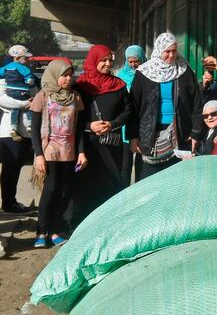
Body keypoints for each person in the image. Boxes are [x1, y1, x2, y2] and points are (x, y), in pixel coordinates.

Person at [128, 33, 203, 180]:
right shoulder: (144, 73)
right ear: (158, 50)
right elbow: (133, 106)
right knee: (150, 178)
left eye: (174, 51)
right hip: (150, 134)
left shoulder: (184, 71)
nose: (171, 55)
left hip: (181, 133)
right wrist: (133, 136)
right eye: (167, 51)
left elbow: (196, 103)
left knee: (177, 178)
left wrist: (196, 133)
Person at [30, 60, 87, 248]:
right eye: (64, 75)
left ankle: (55, 230)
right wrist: (38, 154)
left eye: (71, 75)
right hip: (50, 151)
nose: (68, 79)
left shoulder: (75, 97)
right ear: (55, 75)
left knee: (64, 191)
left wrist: (81, 152)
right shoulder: (43, 96)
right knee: (51, 189)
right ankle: (41, 231)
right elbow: (35, 129)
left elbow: (79, 129)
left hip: (69, 152)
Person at [74, 45, 131, 222]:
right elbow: (72, 117)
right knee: (87, 184)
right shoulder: (81, 87)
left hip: (112, 144)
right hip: (87, 145)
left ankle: (111, 222)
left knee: (112, 182)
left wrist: (112, 124)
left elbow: (129, 111)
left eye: (110, 61)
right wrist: (89, 126)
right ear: (94, 60)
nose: (108, 64)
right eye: (103, 60)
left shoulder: (119, 86)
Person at [0, 79, 34, 214]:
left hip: (27, 132)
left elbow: (35, 96)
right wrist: (25, 103)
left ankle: (11, 202)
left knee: (17, 168)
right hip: (9, 132)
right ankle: (8, 204)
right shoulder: (4, 80)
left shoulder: (29, 79)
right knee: (10, 168)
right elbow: (3, 100)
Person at [117, 45, 146, 184]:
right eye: (130, 61)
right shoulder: (120, 77)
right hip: (125, 126)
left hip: (143, 124)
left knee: (143, 162)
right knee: (125, 165)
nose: (133, 65)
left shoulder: (148, 74)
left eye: (137, 61)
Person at [0, 45, 36, 142]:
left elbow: (35, 94)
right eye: (26, 58)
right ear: (17, 58)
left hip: (27, 135)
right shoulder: (4, 78)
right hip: (7, 134)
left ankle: (26, 126)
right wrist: (26, 104)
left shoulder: (28, 75)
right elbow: (2, 100)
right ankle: (21, 127)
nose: (28, 60)